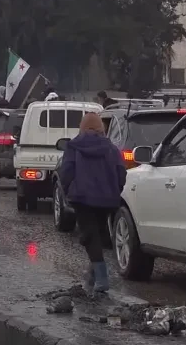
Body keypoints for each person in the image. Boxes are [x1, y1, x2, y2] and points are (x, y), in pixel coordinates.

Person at [59, 111, 127, 295]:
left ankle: (102, 278)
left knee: (89, 235)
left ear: (82, 127)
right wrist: (115, 191)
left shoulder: (74, 147)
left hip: (82, 198)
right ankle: (92, 275)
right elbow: (121, 173)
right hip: (106, 198)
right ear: (101, 128)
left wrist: (68, 191)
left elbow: (66, 171)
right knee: (96, 233)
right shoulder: (112, 149)